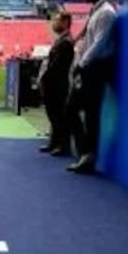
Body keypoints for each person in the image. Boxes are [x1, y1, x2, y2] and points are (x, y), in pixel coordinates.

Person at [66, 0, 117, 173]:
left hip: (96, 68)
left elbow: (101, 42)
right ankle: (85, 153)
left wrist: (83, 63)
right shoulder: (97, 11)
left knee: (89, 113)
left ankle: (88, 155)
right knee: (76, 110)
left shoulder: (105, 13)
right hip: (90, 66)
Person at [38, 12, 74, 156]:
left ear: (66, 22)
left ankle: (61, 145)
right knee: (53, 114)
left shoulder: (66, 42)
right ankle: (54, 142)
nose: (54, 23)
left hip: (57, 84)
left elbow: (58, 66)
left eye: (57, 20)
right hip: (53, 83)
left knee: (58, 114)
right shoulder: (61, 40)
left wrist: (46, 78)